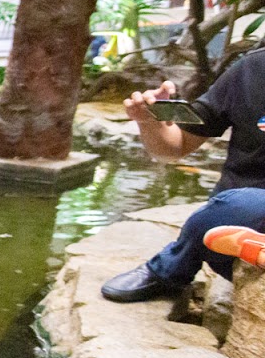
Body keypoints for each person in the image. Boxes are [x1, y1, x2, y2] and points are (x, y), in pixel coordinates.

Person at [101, 51, 265, 302]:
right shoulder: (251, 70)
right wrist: (149, 121)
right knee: (237, 207)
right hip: (230, 231)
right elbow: (174, 148)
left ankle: (170, 267)